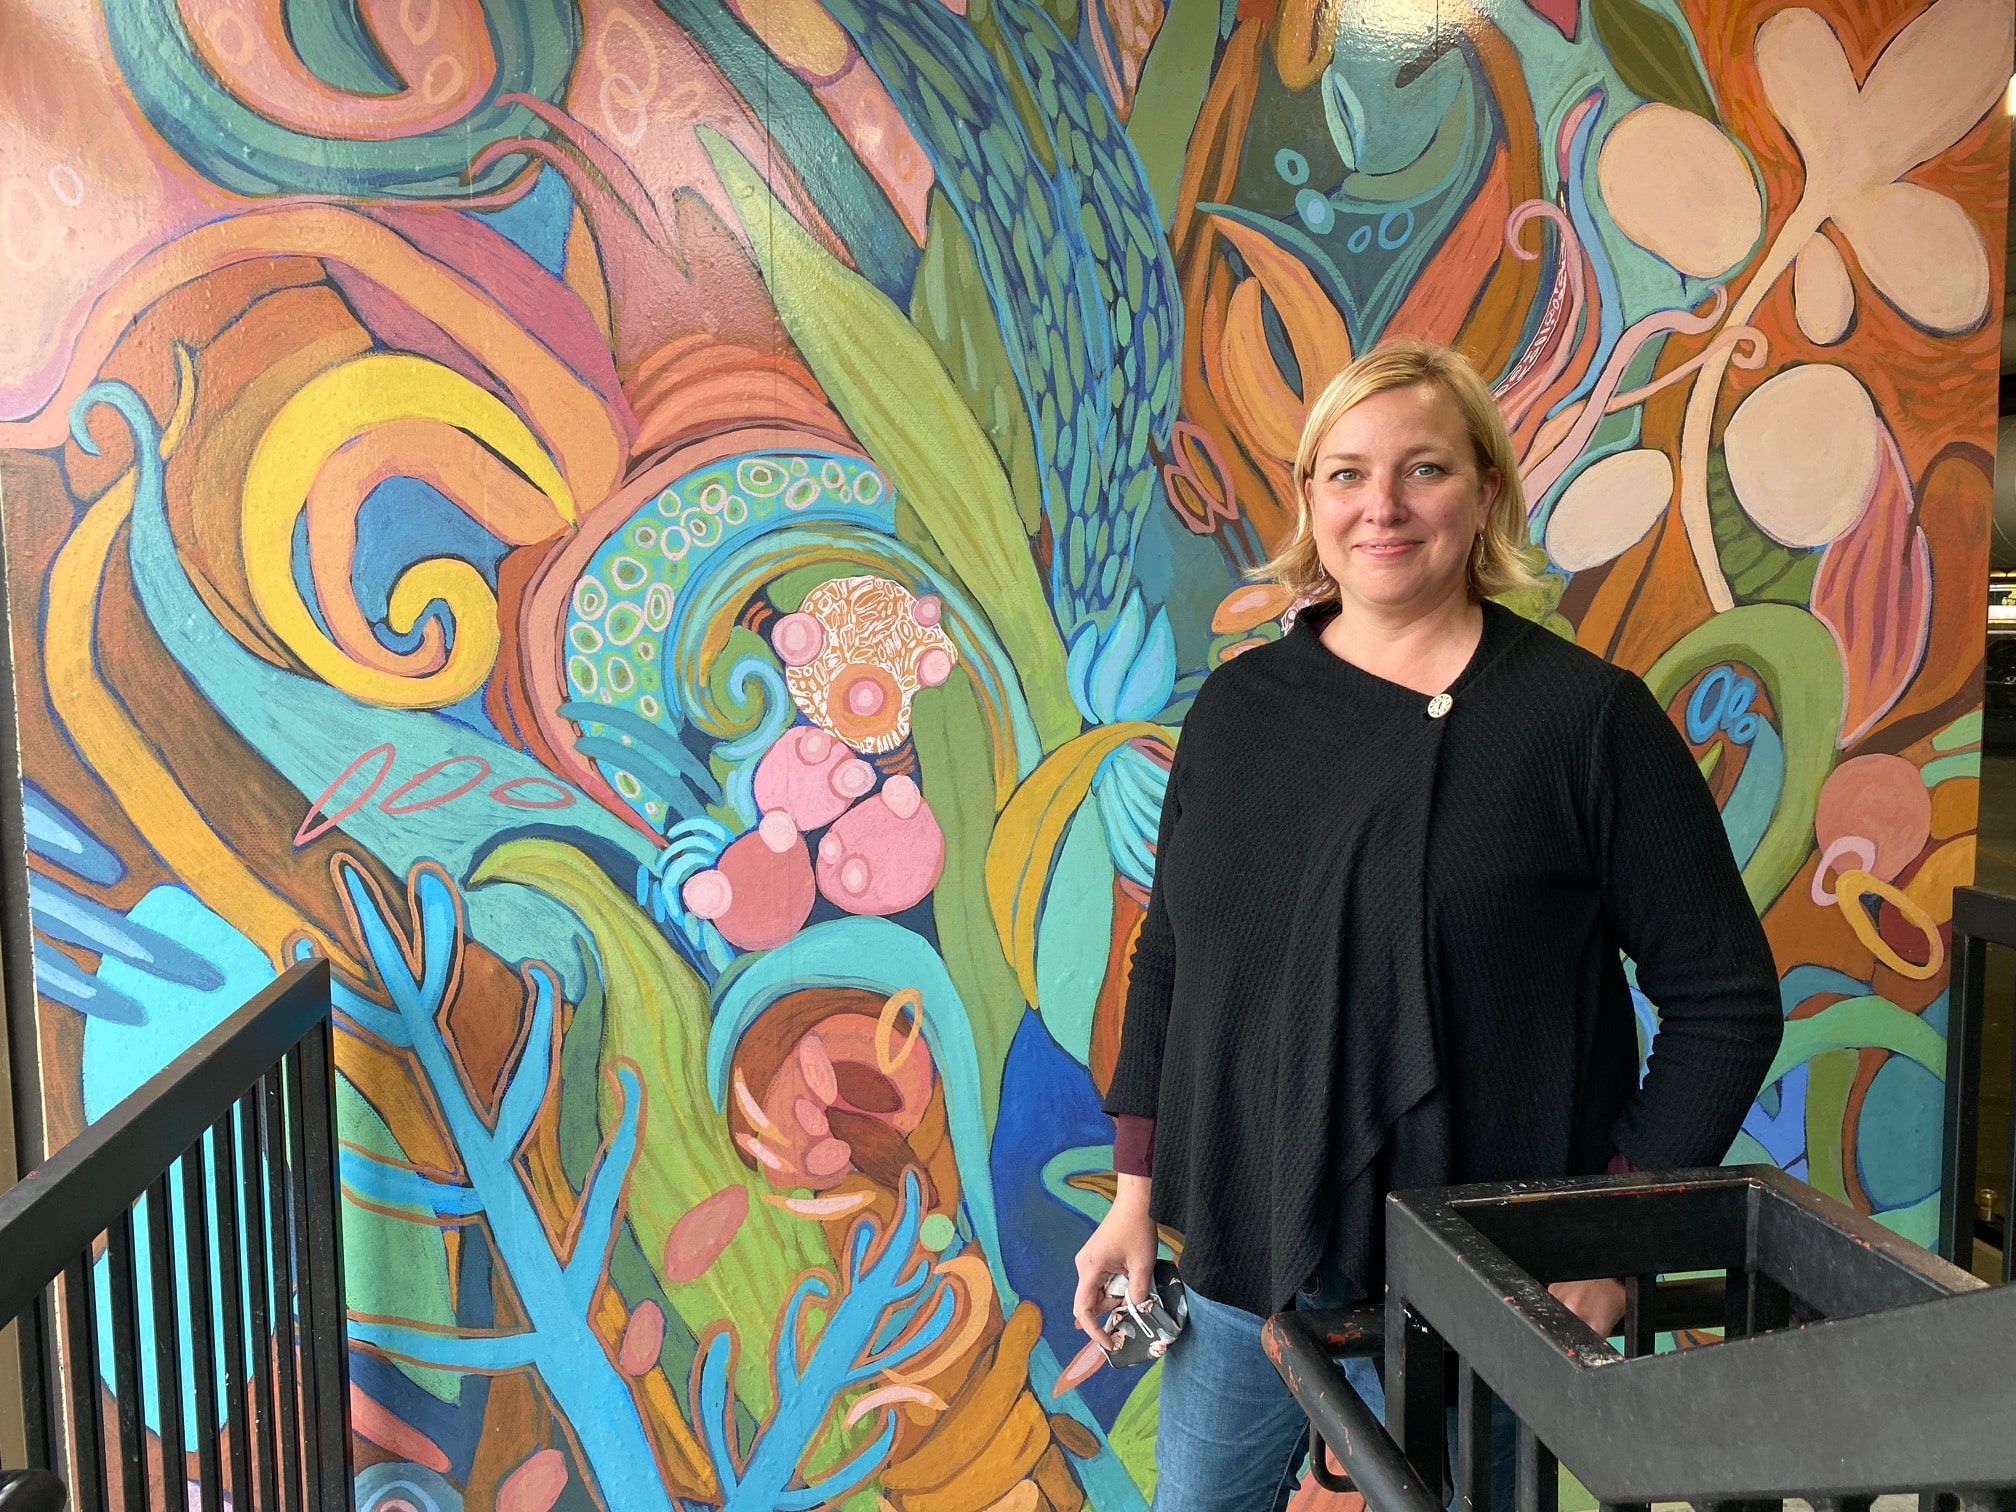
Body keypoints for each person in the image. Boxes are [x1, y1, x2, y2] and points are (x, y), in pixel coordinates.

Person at [1072, 341, 1783, 1512]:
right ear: (1310, 498)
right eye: (1346, 474)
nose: (1382, 507)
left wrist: (1610, 1246)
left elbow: (1726, 1002)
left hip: (1485, 1293)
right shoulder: (1238, 708)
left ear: (1486, 491)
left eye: (1425, 469)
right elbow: (1173, 958)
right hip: (1245, 1266)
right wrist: (1135, 1193)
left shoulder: (1585, 722)